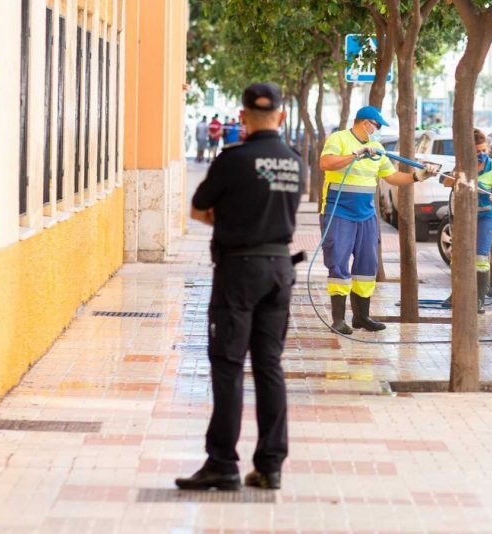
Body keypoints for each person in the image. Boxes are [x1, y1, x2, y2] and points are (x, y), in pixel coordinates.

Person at [176, 82, 302, 492]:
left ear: (243, 116)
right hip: (280, 269)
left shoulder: (233, 159)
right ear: (281, 117)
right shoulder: (295, 162)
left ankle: (222, 464)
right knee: (270, 367)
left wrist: (229, 223)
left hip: (239, 271)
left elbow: (198, 208)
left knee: (229, 366)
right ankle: (270, 466)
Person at [318, 106, 439, 334]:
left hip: (366, 215)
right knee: (338, 263)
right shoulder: (339, 138)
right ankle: (338, 320)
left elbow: (391, 176)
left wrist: (417, 176)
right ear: (366, 123)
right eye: (377, 126)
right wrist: (356, 154)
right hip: (338, 213)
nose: (378, 131)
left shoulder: (378, 149)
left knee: (367, 266)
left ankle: (361, 317)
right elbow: (325, 163)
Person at [441, 128, 492, 313]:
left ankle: (479, 299)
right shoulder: (463, 165)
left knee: (481, 258)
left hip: (485, 217)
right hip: (463, 217)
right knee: (458, 258)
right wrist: (459, 174)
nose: (482, 154)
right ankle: (456, 294)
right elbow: (445, 182)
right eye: (477, 151)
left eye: (484, 150)